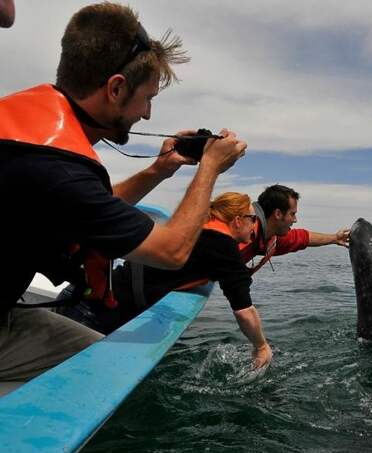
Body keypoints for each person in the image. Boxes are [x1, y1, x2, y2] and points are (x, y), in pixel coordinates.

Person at [0, 2, 246, 384]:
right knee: (108, 371)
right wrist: (210, 169)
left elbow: (88, 207)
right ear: (116, 88)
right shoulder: (58, 170)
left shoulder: (26, 132)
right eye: (148, 98)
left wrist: (159, 170)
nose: (146, 114)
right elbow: (172, 252)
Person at [58, 185, 350, 369]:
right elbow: (243, 308)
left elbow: (299, 238)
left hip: (94, 297)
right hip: (96, 309)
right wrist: (261, 346)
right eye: (293, 213)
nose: (296, 220)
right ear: (238, 221)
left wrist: (335, 238)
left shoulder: (223, 229)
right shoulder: (227, 244)